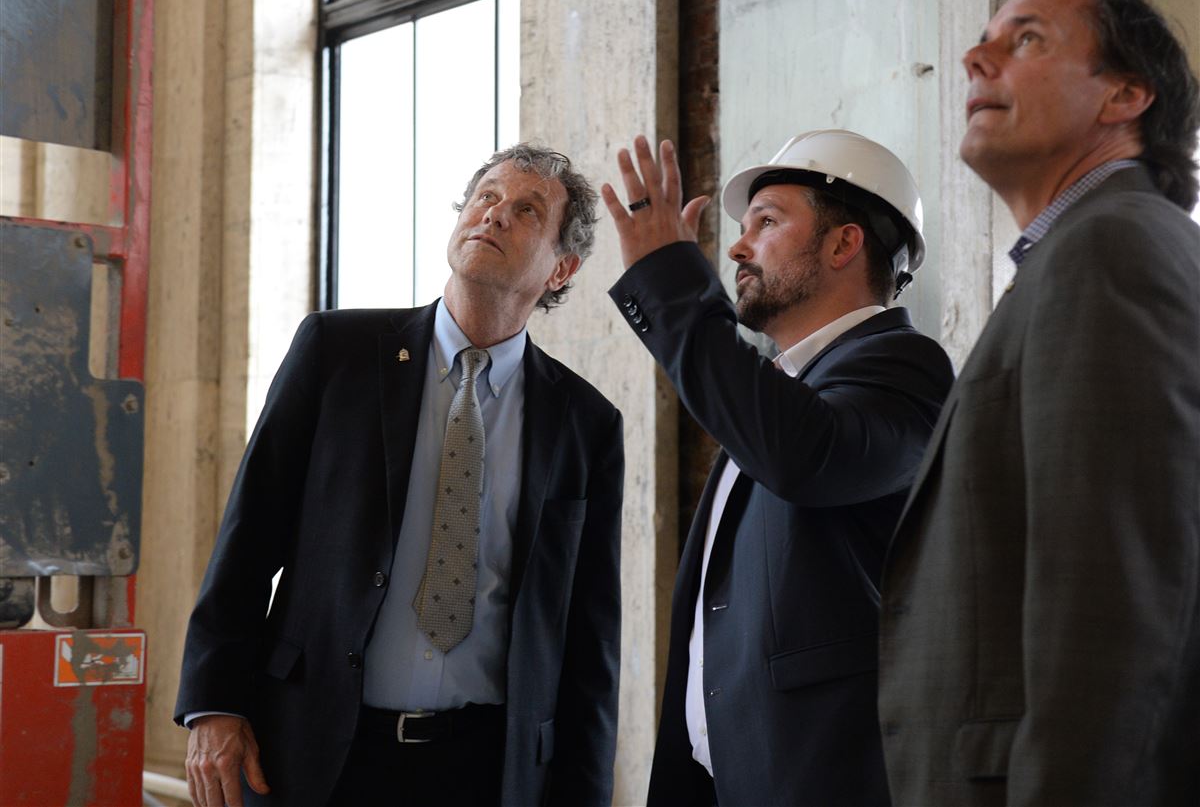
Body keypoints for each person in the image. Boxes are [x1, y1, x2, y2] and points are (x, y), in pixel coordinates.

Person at [175, 144, 624, 807]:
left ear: (562, 268)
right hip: (316, 747)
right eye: (486, 197)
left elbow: (589, 640)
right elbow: (247, 538)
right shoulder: (336, 353)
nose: (494, 215)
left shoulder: (585, 422)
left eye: (526, 210)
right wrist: (213, 702)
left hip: (483, 767)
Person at [878, 0, 1200, 806]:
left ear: (1125, 96)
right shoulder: (1076, 253)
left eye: (1025, 41)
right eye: (982, 42)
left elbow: (1115, 609)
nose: (976, 61)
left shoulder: (1112, 246)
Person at [602, 130, 953, 806]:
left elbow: (803, 455)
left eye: (765, 222)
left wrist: (671, 280)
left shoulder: (906, 368)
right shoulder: (779, 391)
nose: (735, 247)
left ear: (843, 244)